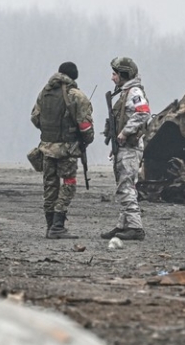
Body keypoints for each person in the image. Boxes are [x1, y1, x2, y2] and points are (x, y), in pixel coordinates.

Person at [31, 62, 94, 239]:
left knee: (50, 186)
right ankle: (58, 226)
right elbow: (85, 126)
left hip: (46, 148)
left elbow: (35, 118)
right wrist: (85, 141)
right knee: (68, 184)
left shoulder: (45, 93)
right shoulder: (76, 96)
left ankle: (50, 226)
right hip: (67, 149)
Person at [100, 56, 150, 241]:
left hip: (130, 147)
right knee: (124, 186)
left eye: (115, 74)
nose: (112, 78)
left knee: (126, 186)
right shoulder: (125, 92)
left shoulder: (134, 92)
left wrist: (125, 133)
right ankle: (124, 225)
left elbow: (143, 113)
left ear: (123, 74)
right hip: (124, 148)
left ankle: (135, 227)